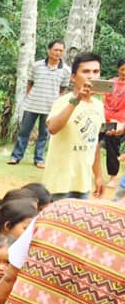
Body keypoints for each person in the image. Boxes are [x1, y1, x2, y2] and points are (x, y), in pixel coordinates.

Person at [41, 51, 105, 200]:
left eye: (96, 71)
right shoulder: (63, 102)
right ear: (74, 77)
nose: (91, 76)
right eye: (86, 71)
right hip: (59, 183)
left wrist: (99, 176)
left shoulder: (98, 106)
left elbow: (94, 142)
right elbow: (53, 128)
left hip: (83, 184)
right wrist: (76, 100)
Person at [8, 41, 70, 169]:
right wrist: (29, 98)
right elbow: (30, 84)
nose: (58, 53)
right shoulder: (37, 66)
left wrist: (56, 103)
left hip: (50, 108)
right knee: (24, 132)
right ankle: (16, 156)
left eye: (60, 50)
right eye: (55, 50)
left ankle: (39, 159)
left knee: (44, 134)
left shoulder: (65, 70)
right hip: (32, 105)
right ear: (49, 50)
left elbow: (62, 89)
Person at [102, 58, 125, 184]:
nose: (124, 72)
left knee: (112, 142)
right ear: (118, 69)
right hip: (106, 118)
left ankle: (112, 176)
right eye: (122, 69)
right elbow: (104, 101)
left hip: (121, 121)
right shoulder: (111, 83)